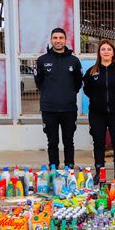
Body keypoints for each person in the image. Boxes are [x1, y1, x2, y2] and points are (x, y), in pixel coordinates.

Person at [34, 28, 82, 169]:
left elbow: (78, 83)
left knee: (69, 141)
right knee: (52, 142)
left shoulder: (74, 61)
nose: (58, 40)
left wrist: (68, 94)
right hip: (49, 109)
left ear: (65, 40)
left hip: (69, 109)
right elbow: (39, 82)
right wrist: (50, 95)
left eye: (61, 38)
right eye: (55, 38)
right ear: (51, 40)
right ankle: (53, 168)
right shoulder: (42, 60)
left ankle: (69, 168)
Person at [83, 39, 115, 179]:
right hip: (97, 114)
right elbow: (87, 89)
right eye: (103, 49)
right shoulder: (91, 72)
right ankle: (99, 172)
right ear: (99, 52)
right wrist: (98, 100)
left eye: (109, 49)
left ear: (113, 52)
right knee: (98, 142)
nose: (106, 52)